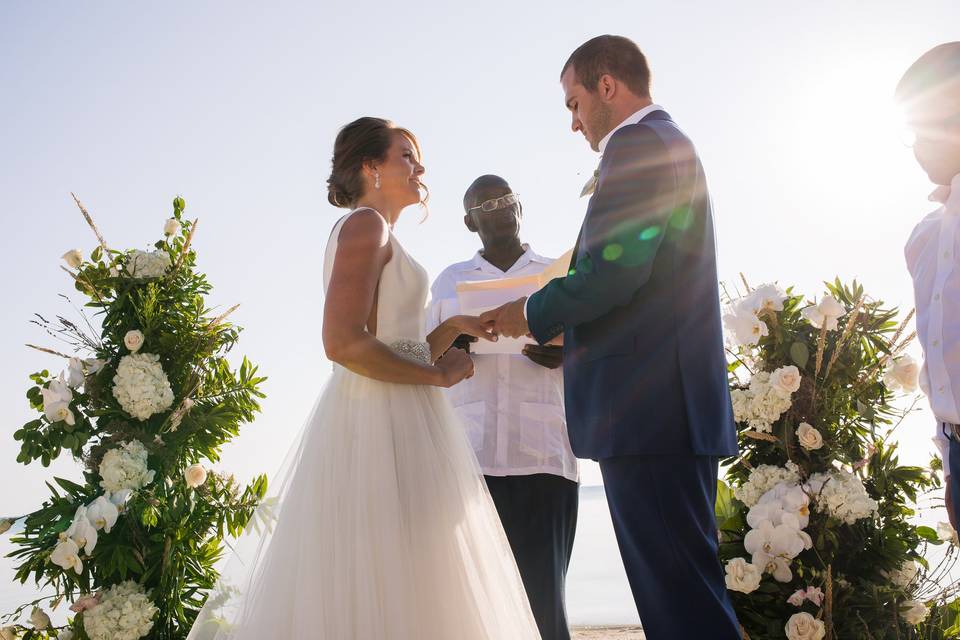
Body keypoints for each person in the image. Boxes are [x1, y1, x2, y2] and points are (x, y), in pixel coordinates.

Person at [187, 117, 542, 640]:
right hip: (378, 419)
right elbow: (345, 344)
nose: (419, 167)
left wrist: (454, 329)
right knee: (394, 569)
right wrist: (440, 376)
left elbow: (390, 341)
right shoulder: (365, 226)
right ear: (371, 167)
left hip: (397, 411)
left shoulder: (377, 231)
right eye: (406, 155)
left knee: (409, 572)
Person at [481, 36, 741, 639]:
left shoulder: (639, 145)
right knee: (684, 591)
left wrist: (534, 309)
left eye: (574, 103)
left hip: (648, 411)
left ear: (607, 86)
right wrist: (572, 339)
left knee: (680, 603)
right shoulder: (668, 144)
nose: (573, 123)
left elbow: (615, 270)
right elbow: (651, 286)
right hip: (667, 408)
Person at [429, 174, 579, 640]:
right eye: (484, 204)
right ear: (469, 221)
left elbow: (596, 348)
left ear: (520, 207)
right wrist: (460, 341)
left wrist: (568, 351)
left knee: (543, 601)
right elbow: (426, 353)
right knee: (472, 602)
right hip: (472, 459)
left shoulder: (557, 273)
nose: (496, 208)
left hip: (545, 456)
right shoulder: (451, 280)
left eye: (504, 199)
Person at [896, 42, 960, 531]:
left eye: (924, 128)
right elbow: (938, 359)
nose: (916, 146)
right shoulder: (925, 237)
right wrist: (947, 457)